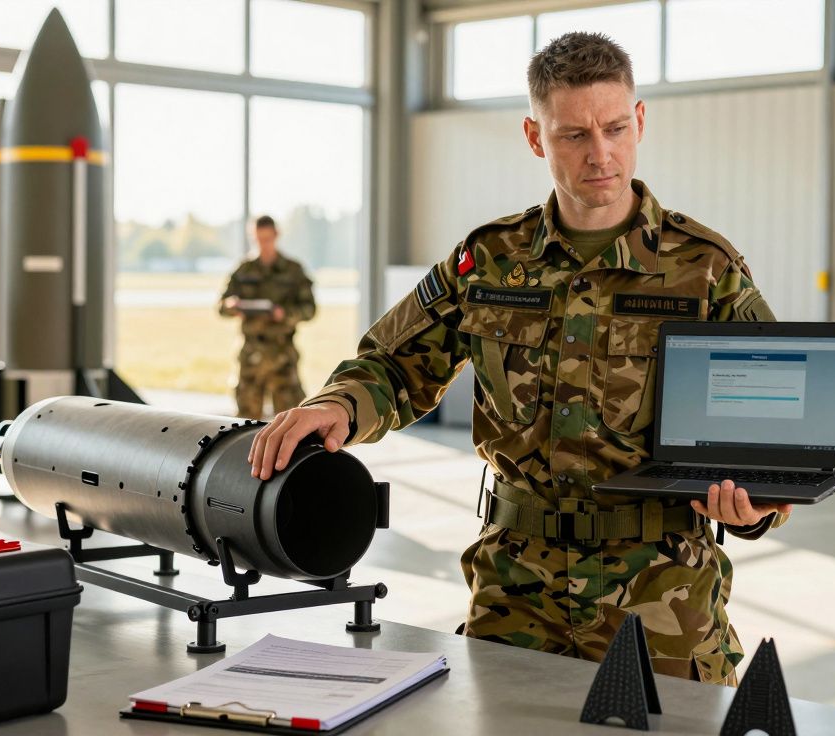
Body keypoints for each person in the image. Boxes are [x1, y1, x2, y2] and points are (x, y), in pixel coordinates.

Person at [247, 32, 788, 684]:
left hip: (660, 594)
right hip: (514, 588)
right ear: (535, 136)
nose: (600, 153)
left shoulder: (705, 268)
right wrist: (338, 404)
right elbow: (394, 363)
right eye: (573, 135)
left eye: (616, 128)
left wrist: (757, 507)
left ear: (639, 120)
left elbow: (770, 429)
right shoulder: (490, 259)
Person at [219, 215, 316, 419]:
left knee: (291, 420)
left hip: (282, 355)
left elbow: (310, 309)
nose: (264, 244)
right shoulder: (244, 269)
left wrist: (285, 315)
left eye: (268, 238)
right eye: (259, 239)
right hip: (251, 356)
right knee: (246, 421)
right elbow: (222, 306)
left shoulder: (293, 270)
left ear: (276, 235)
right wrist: (232, 306)